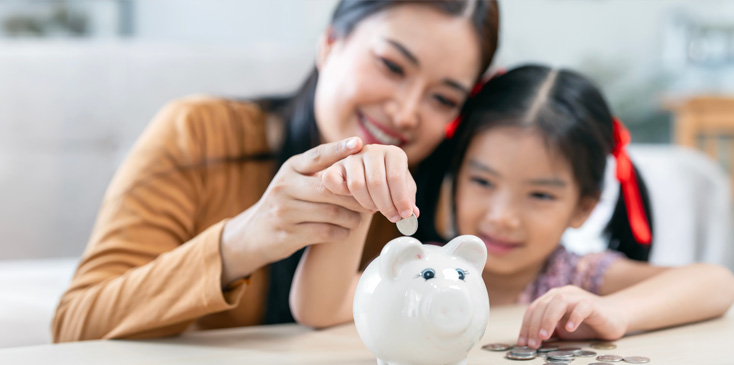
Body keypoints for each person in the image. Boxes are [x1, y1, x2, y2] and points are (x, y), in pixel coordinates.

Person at [51, 0, 500, 341]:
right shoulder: (198, 132)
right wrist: (244, 239)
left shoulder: (442, 190)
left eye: (443, 98)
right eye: (391, 65)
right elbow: (75, 326)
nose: (406, 113)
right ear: (329, 45)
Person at [413, 65, 734, 347]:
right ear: (454, 176)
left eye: (540, 195)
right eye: (483, 182)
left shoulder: (575, 277)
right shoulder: (425, 267)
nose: (502, 217)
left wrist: (616, 312)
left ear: (583, 208)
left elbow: (719, 284)